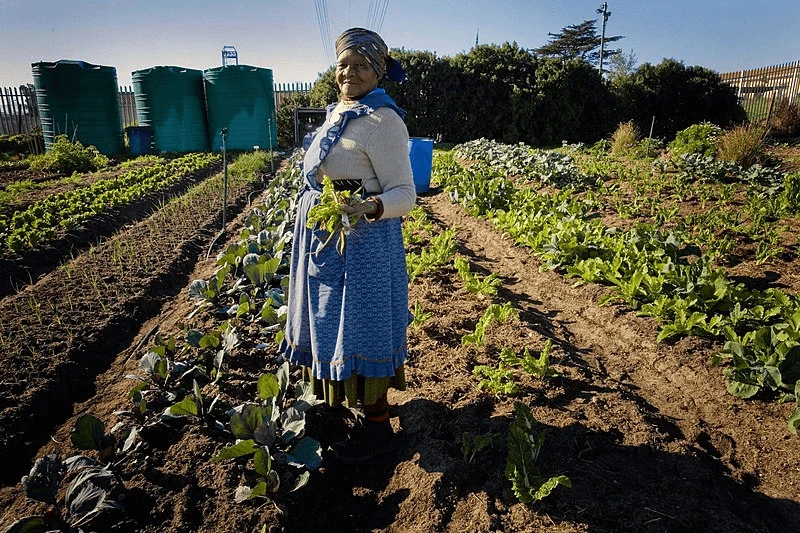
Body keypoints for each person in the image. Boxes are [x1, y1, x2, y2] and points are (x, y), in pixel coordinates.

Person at [280, 27, 416, 463]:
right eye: (343, 65)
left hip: (364, 247)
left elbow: (405, 194)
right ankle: (342, 413)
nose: (349, 73)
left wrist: (370, 206)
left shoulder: (384, 121)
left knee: (363, 328)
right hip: (323, 240)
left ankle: (377, 430)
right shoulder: (339, 113)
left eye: (360, 65)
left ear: (377, 71)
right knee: (326, 324)